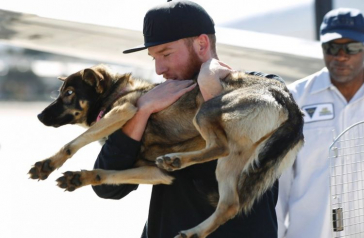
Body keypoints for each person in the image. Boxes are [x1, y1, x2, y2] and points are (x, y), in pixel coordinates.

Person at [92, 1, 283, 238]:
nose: (159, 69)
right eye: (154, 58)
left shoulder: (265, 88)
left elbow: (240, 154)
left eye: (166, 54)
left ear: (202, 44)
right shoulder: (158, 101)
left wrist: (211, 88)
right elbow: (108, 188)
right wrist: (142, 110)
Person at [276, 8, 364, 238]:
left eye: (352, 47)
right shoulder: (294, 99)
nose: (341, 55)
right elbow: (278, 181)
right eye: (332, 47)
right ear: (322, 47)